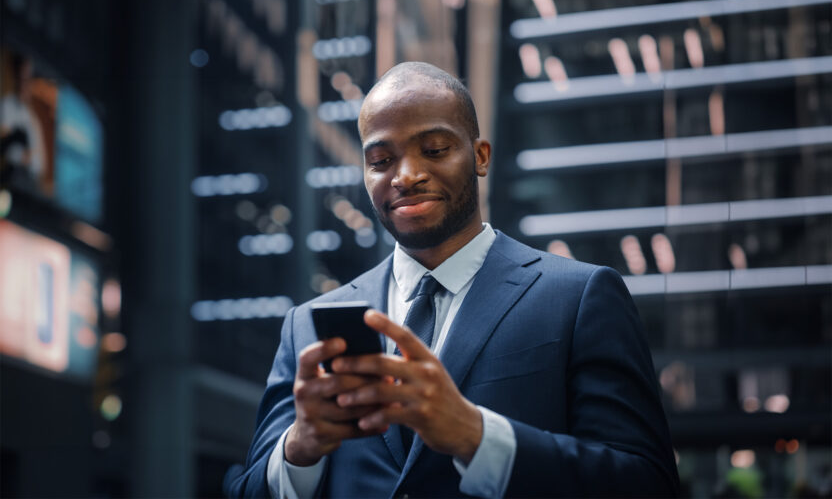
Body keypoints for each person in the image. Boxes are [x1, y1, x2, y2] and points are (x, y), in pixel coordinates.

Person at [226, 62, 680, 498]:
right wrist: (298, 450)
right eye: (381, 160)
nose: (406, 176)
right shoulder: (307, 325)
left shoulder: (579, 297)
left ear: (480, 157)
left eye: (434, 150)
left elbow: (646, 482)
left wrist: (475, 436)